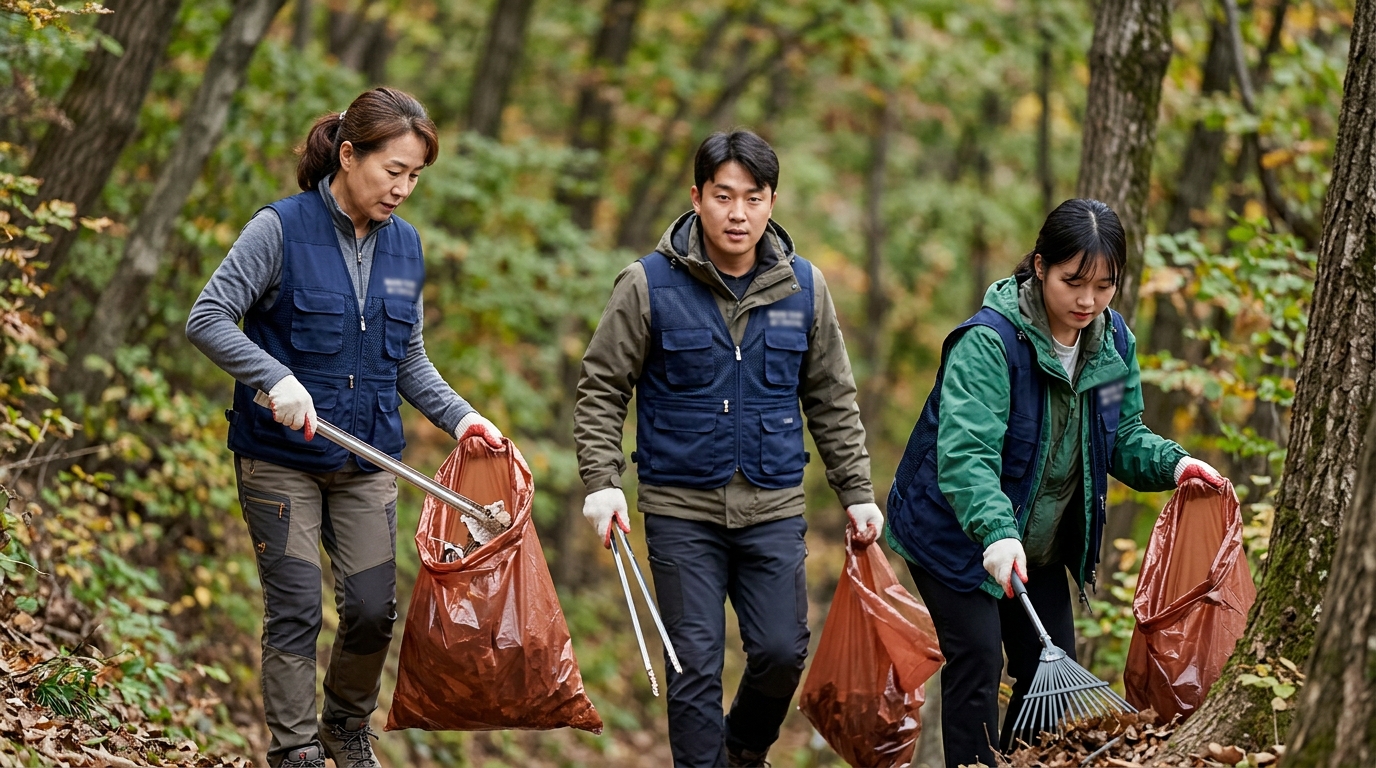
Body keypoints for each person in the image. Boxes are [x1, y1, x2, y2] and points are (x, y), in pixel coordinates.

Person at [187, 87, 504, 768]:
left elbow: (408, 358)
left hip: (369, 462)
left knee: (370, 611)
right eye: (394, 171)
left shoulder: (406, 248)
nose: (403, 189)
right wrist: (274, 378)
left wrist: (463, 418)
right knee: (297, 607)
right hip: (280, 458)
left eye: (415, 176)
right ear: (350, 154)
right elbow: (207, 317)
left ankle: (344, 727)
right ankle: (295, 751)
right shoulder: (279, 228)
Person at [574, 130, 884, 768]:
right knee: (692, 663)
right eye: (723, 196)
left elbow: (832, 396)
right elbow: (602, 388)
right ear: (697, 197)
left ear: (772, 202)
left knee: (781, 652)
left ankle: (742, 752)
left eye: (752, 197)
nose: (737, 213)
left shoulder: (804, 288)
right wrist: (602, 482)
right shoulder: (647, 284)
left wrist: (856, 492)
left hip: (772, 504)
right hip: (680, 507)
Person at [885, 198, 1225, 768]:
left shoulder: (1112, 344)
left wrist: (1174, 465)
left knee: (1050, 661)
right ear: (1040, 267)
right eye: (1073, 282)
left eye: (1104, 286)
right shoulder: (991, 343)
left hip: (1035, 540)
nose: (1088, 300)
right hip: (953, 533)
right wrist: (996, 533)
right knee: (977, 660)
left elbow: (1120, 435)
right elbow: (966, 456)